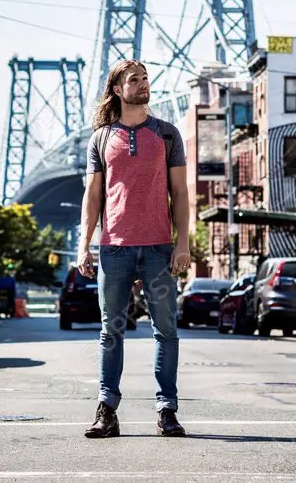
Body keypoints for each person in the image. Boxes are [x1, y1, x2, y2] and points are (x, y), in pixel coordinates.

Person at [79, 59, 191, 438]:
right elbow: (92, 197)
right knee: (111, 331)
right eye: (134, 80)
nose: (143, 84)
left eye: (145, 78)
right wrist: (84, 246)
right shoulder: (100, 138)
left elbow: (180, 193)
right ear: (117, 89)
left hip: (159, 248)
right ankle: (107, 410)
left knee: (166, 331)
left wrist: (183, 244)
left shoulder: (167, 134)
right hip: (114, 249)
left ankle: (167, 411)